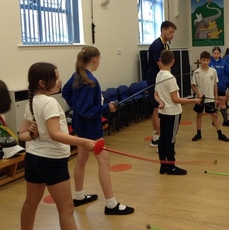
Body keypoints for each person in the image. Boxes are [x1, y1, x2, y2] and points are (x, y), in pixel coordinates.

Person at [19, 62, 95, 230]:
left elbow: (22, 135)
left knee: (30, 203)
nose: (60, 81)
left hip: (33, 159)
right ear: (42, 83)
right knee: (66, 209)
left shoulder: (31, 103)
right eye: (56, 77)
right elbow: (55, 134)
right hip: (51, 161)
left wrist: (33, 134)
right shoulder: (49, 103)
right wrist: (85, 142)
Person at [62, 46, 134, 215]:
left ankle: (79, 196)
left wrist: (76, 107)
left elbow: (66, 92)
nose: (99, 62)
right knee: (104, 160)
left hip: (80, 125)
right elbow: (87, 110)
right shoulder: (90, 81)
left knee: (82, 157)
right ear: (94, 59)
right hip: (90, 128)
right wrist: (106, 108)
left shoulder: (78, 75)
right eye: (99, 59)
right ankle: (111, 204)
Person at [154, 50, 201, 175]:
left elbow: (156, 94)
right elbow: (175, 99)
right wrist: (194, 100)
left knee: (163, 139)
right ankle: (171, 167)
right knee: (170, 140)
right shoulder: (170, 77)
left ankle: (163, 166)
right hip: (172, 114)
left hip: (163, 112)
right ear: (173, 61)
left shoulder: (159, 74)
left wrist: (161, 102)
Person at [147, 21, 177, 148]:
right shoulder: (157, 45)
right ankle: (158, 137)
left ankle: (157, 135)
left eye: (173, 33)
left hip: (162, 80)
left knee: (160, 108)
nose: (172, 35)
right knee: (158, 108)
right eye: (170, 32)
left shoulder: (165, 45)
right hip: (156, 81)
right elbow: (162, 66)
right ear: (163, 30)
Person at [191, 51, 229, 142]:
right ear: (200, 60)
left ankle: (220, 134)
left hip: (211, 98)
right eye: (204, 60)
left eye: (207, 60)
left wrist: (216, 97)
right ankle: (198, 133)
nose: (205, 62)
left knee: (214, 116)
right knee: (199, 115)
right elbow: (193, 85)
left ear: (210, 61)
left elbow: (215, 85)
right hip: (200, 99)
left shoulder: (213, 71)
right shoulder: (196, 72)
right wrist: (199, 94)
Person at [209, 46, 229, 127]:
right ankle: (214, 120)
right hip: (211, 87)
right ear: (212, 53)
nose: (216, 55)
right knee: (214, 104)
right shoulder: (209, 62)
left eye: (218, 53)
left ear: (220, 54)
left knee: (222, 103)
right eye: (214, 53)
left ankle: (225, 121)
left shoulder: (223, 62)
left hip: (221, 86)